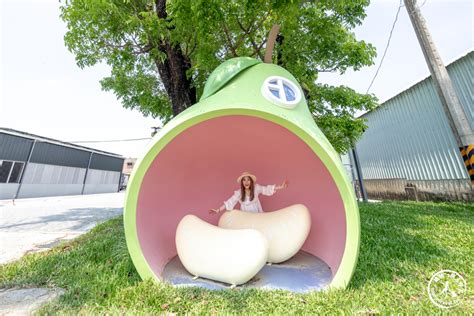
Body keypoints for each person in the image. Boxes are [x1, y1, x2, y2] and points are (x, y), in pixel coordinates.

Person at [209, 171, 288, 214]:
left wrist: (280, 187)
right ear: (242, 182)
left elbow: (266, 189)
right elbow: (230, 201)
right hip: (246, 219)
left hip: (257, 217)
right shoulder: (239, 193)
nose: (246, 182)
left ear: (251, 181)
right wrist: (218, 210)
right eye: (244, 180)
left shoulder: (256, 188)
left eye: (248, 180)